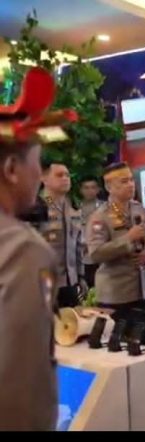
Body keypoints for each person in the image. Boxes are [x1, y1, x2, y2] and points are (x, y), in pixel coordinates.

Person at [0, 66, 78, 430]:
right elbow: (19, 390)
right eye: (38, 163)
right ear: (12, 169)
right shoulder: (22, 251)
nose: (39, 175)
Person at [86, 162, 145, 321]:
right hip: (115, 295)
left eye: (131, 180)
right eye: (124, 181)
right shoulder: (100, 217)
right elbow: (95, 254)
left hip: (143, 290)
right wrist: (128, 238)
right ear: (109, 187)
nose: (131, 184)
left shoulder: (139, 209)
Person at [38, 160, 84, 307]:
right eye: (59, 175)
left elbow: (78, 246)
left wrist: (80, 276)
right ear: (44, 179)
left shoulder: (73, 207)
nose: (65, 178)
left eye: (67, 175)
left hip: (70, 282)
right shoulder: (36, 206)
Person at [79, 175, 105, 287]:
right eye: (86, 188)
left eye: (93, 187)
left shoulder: (106, 207)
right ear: (81, 190)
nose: (90, 191)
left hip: (103, 257)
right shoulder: (75, 209)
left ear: (98, 189)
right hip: (83, 259)